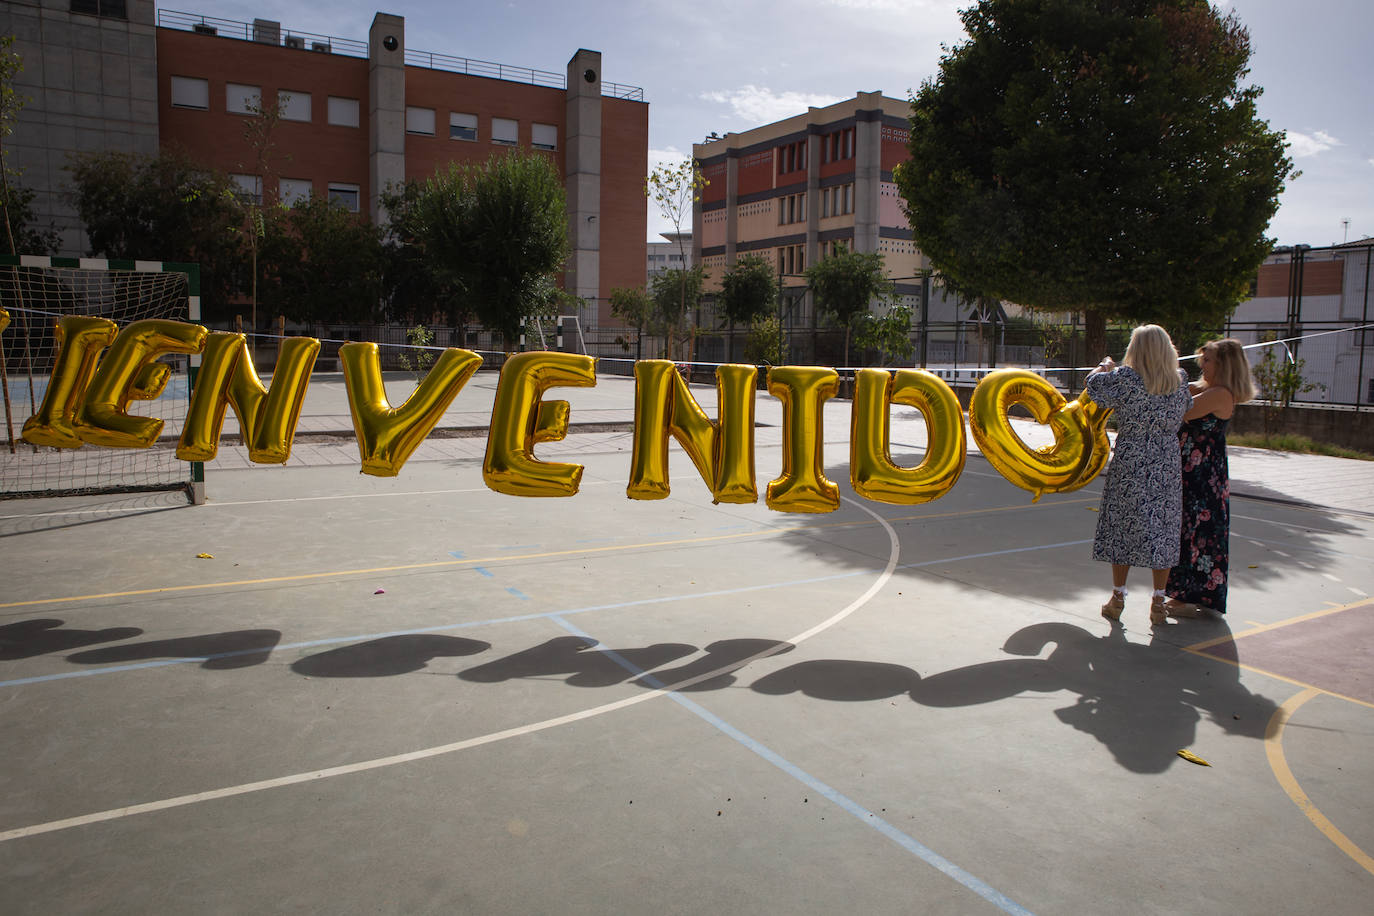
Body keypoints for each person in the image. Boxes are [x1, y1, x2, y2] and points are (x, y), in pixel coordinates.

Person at [1087, 325, 1192, 626]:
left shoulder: (1126, 379)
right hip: (1166, 463)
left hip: (1132, 460)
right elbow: (1187, 408)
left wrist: (1104, 367)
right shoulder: (1180, 379)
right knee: (1163, 529)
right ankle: (1158, 601)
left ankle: (1118, 597)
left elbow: (1093, 387)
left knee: (1123, 526)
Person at [1165, 338, 1256, 617]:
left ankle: (1187, 596)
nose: (1201, 365)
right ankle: (1192, 594)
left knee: (1195, 533)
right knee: (1191, 532)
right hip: (1193, 471)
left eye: (1208, 360)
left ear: (1225, 366)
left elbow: (1180, 409)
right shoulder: (1209, 390)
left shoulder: (1220, 394)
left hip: (1202, 475)